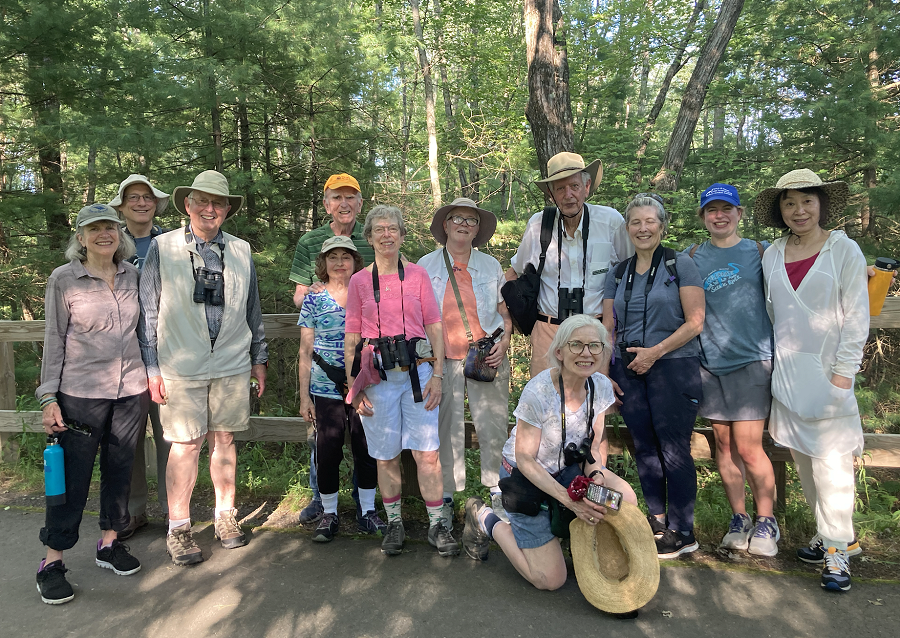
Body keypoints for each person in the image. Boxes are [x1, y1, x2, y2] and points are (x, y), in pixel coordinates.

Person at [138, 170, 268, 566]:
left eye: (218, 202)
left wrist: (258, 358)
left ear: (227, 209)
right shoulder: (162, 247)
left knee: (224, 440)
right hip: (180, 363)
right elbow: (147, 311)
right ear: (188, 205)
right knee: (185, 445)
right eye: (202, 201)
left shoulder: (242, 251)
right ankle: (179, 527)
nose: (209, 208)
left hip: (230, 361)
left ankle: (225, 517)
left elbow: (252, 309)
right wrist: (151, 367)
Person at [460, 315, 637, 590]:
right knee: (550, 580)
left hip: (569, 471)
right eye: (576, 345)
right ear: (559, 352)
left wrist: (598, 476)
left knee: (622, 499)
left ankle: (585, 549)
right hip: (525, 477)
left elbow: (592, 447)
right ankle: (484, 517)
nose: (586, 353)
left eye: (595, 346)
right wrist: (570, 500)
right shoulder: (539, 392)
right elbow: (525, 459)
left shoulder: (600, 386)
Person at [754, 169, 868, 591]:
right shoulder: (772, 255)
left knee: (833, 466)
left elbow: (857, 317)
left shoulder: (844, 250)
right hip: (787, 375)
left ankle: (840, 552)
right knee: (804, 460)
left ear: (821, 204)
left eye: (807, 201)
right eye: (789, 203)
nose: (799, 210)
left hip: (828, 373)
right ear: (780, 210)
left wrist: (843, 375)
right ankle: (828, 535)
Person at [35, 204, 150, 604]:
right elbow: (54, 341)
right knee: (74, 477)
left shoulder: (132, 274)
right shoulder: (63, 279)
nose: (105, 234)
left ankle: (109, 543)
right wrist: (49, 396)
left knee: (120, 470)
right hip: (80, 394)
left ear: (120, 233)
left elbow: (146, 331)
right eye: (94, 229)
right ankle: (52, 561)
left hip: (131, 389)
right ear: (80, 238)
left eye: (110, 227)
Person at [344, 205, 457, 557]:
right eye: (379, 229)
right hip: (377, 377)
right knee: (385, 456)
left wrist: (438, 374)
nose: (386, 234)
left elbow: (435, 327)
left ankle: (438, 526)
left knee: (428, 454)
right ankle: (394, 524)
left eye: (392, 228)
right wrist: (355, 386)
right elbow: (351, 337)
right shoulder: (360, 281)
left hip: (418, 376)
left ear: (403, 235)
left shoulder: (419, 275)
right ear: (369, 238)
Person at [602, 193, 705, 558]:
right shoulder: (618, 272)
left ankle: (683, 529)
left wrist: (656, 353)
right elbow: (608, 327)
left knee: (674, 449)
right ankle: (657, 521)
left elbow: (695, 322)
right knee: (644, 447)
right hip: (628, 370)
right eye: (636, 222)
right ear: (627, 228)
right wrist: (605, 374)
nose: (643, 228)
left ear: (662, 225)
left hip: (673, 366)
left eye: (650, 221)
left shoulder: (680, 264)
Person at [687, 184, 779, 556]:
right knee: (723, 445)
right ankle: (739, 518)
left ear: (740, 214)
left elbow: (799, 279)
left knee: (749, 446)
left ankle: (767, 521)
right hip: (709, 364)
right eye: (712, 210)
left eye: (727, 209)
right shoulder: (691, 256)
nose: (719, 215)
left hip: (751, 361)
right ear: (703, 217)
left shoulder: (761, 252)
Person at [418, 197, 513, 527]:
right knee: (445, 432)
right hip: (441, 363)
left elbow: (504, 313)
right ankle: (445, 499)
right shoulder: (425, 266)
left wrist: (505, 342)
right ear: (445, 226)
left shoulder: (491, 267)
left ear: (478, 230)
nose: (464, 224)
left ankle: (498, 491)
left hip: (486, 357)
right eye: (457, 218)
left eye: (471, 220)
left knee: (493, 429)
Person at [289, 173, 374, 525]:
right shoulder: (311, 241)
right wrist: (318, 295)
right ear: (326, 204)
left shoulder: (371, 241)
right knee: (325, 443)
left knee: (363, 441)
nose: (344, 204)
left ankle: (365, 504)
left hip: (362, 370)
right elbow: (298, 295)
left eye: (350, 197)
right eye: (337, 197)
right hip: (324, 365)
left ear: (359, 203)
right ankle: (322, 504)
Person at [506, 152, 632, 377]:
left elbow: (632, 271)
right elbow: (514, 273)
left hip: (596, 331)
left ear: (587, 185)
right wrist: (509, 318)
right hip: (548, 331)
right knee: (546, 405)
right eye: (560, 188)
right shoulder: (539, 225)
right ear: (551, 194)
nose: (569, 195)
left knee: (592, 406)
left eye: (574, 185)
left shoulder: (610, 222)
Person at [297, 236, 386, 542]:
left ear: (354, 262)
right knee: (328, 450)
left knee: (365, 448)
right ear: (323, 263)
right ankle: (330, 512)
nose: (339, 263)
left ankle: (367, 511)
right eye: (332, 257)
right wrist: (305, 395)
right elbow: (305, 351)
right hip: (325, 386)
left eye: (345, 257)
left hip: (364, 385)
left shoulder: (368, 295)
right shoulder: (314, 299)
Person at [109, 174, 172, 539]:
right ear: (122, 205)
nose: (141, 202)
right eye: (133, 197)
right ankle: (133, 510)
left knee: (169, 433)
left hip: (166, 350)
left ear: (156, 203)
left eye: (147, 197)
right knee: (127, 437)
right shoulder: (111, 244)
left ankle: (170, 509)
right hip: (124, 354)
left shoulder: (170, 243)